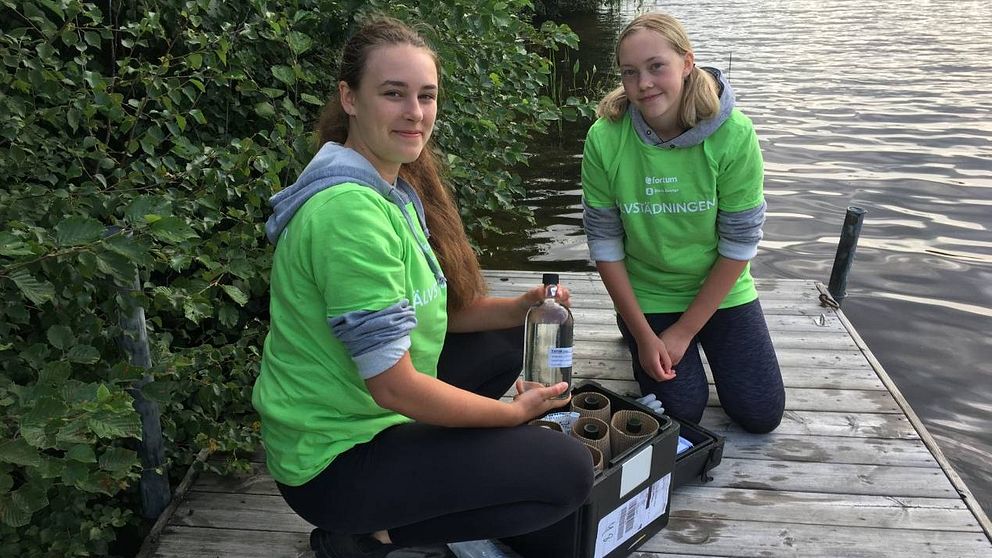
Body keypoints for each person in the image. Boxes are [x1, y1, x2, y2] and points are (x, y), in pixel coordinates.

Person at [251, 16, 594, 558]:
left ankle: (439, 474)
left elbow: (432, 310)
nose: (415, 113)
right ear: (350, 98)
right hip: (333, 461)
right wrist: (512, 416)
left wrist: (523, 308)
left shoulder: (386, 187)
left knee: (510, 337)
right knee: (568, 474)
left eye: (426, 96)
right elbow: (395, 389)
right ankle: (367, 536)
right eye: (393, 94)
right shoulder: (349, 216)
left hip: (368, 409)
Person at [581, 12, 785, 434]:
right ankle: (635, 327)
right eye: (630, 72)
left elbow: (740, 242)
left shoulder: (733, 134)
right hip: (648, 293)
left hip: (720, 289)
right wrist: (643, 334)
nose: (643, 84)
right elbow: (604, 242)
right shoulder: (605, 137)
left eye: (657, 67)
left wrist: (685, 331)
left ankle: (697, 336)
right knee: (681, 412)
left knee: (761, 414)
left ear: (687, 63)